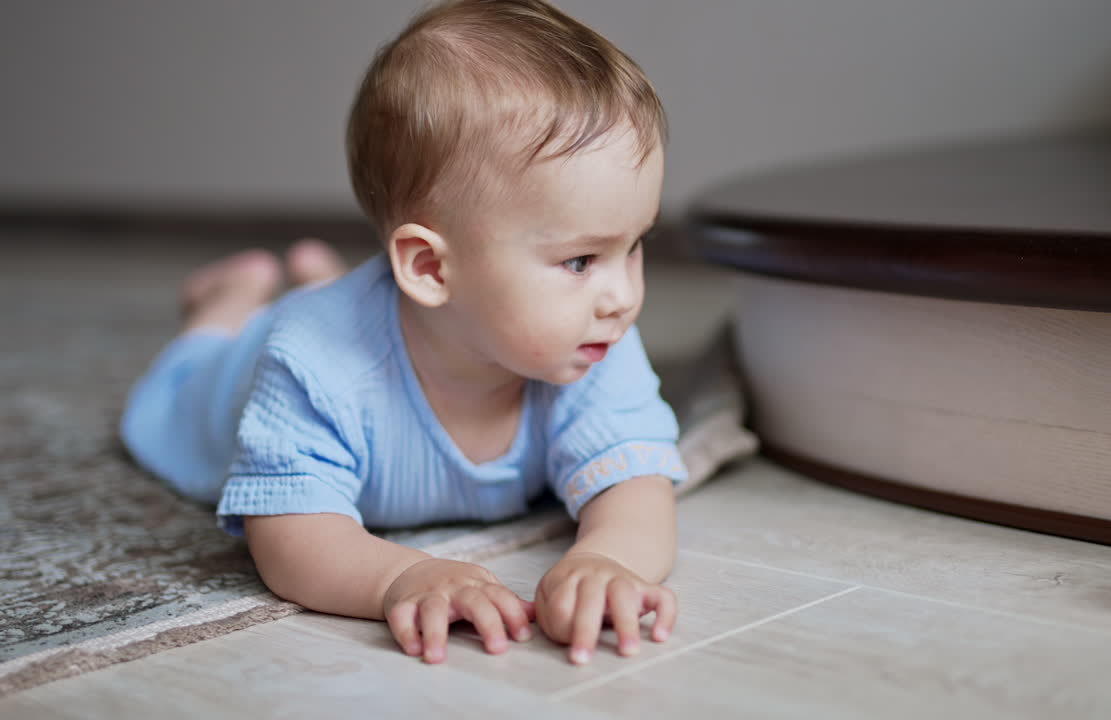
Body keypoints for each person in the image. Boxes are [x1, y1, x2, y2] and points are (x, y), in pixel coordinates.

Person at [120, 0, 687, 667]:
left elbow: (638, 483)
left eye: (635, 246)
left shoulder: (592, 338)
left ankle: (319, 277)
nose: (623, 297)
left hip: (397, 312)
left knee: (341, 304)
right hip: (234, 376)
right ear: (428, 268)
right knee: (194, 366)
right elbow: (290, 533)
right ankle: (222, 304)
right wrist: (400, 577)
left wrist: (605, 559)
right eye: (581, 261)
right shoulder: (312, 365)